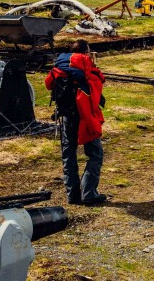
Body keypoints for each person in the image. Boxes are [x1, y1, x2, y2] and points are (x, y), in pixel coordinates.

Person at [44, 39, 107, 206]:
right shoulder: (87, 66)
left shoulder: (59, 66)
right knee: (95, 154)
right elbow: (97, 87)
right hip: (85, 117)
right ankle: (89, 193)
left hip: (65, 116)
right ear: (86, 53)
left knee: (69, 155)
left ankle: (72, 195)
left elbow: (47, 84)